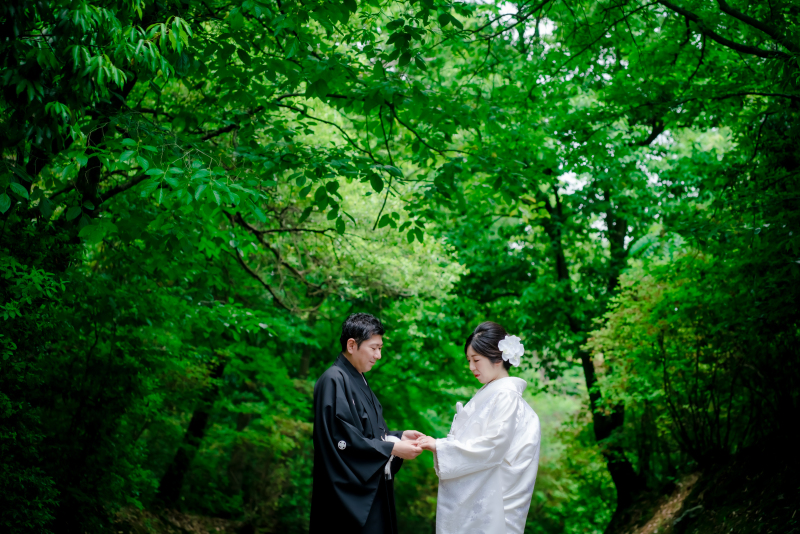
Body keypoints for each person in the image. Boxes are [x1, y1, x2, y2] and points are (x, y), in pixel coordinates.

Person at [418, 321, 541, 534]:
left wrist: (439, 446)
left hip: (494, 506)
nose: (471, 367)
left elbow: (492, 447)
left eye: (476, 360)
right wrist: (439, 445)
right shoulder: (494, 393)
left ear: (497, 358)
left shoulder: (505, 396)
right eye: (468, 360)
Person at [310, 313, 425, 534]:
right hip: (348, 502)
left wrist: (397, 437)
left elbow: (367, 434)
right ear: (352, 345)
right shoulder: (333, 379)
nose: (378, 355)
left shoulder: (358, 378)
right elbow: (340, 440)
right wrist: (391, 448)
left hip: (373, 491)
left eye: (380, 348)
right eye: (374, 348)